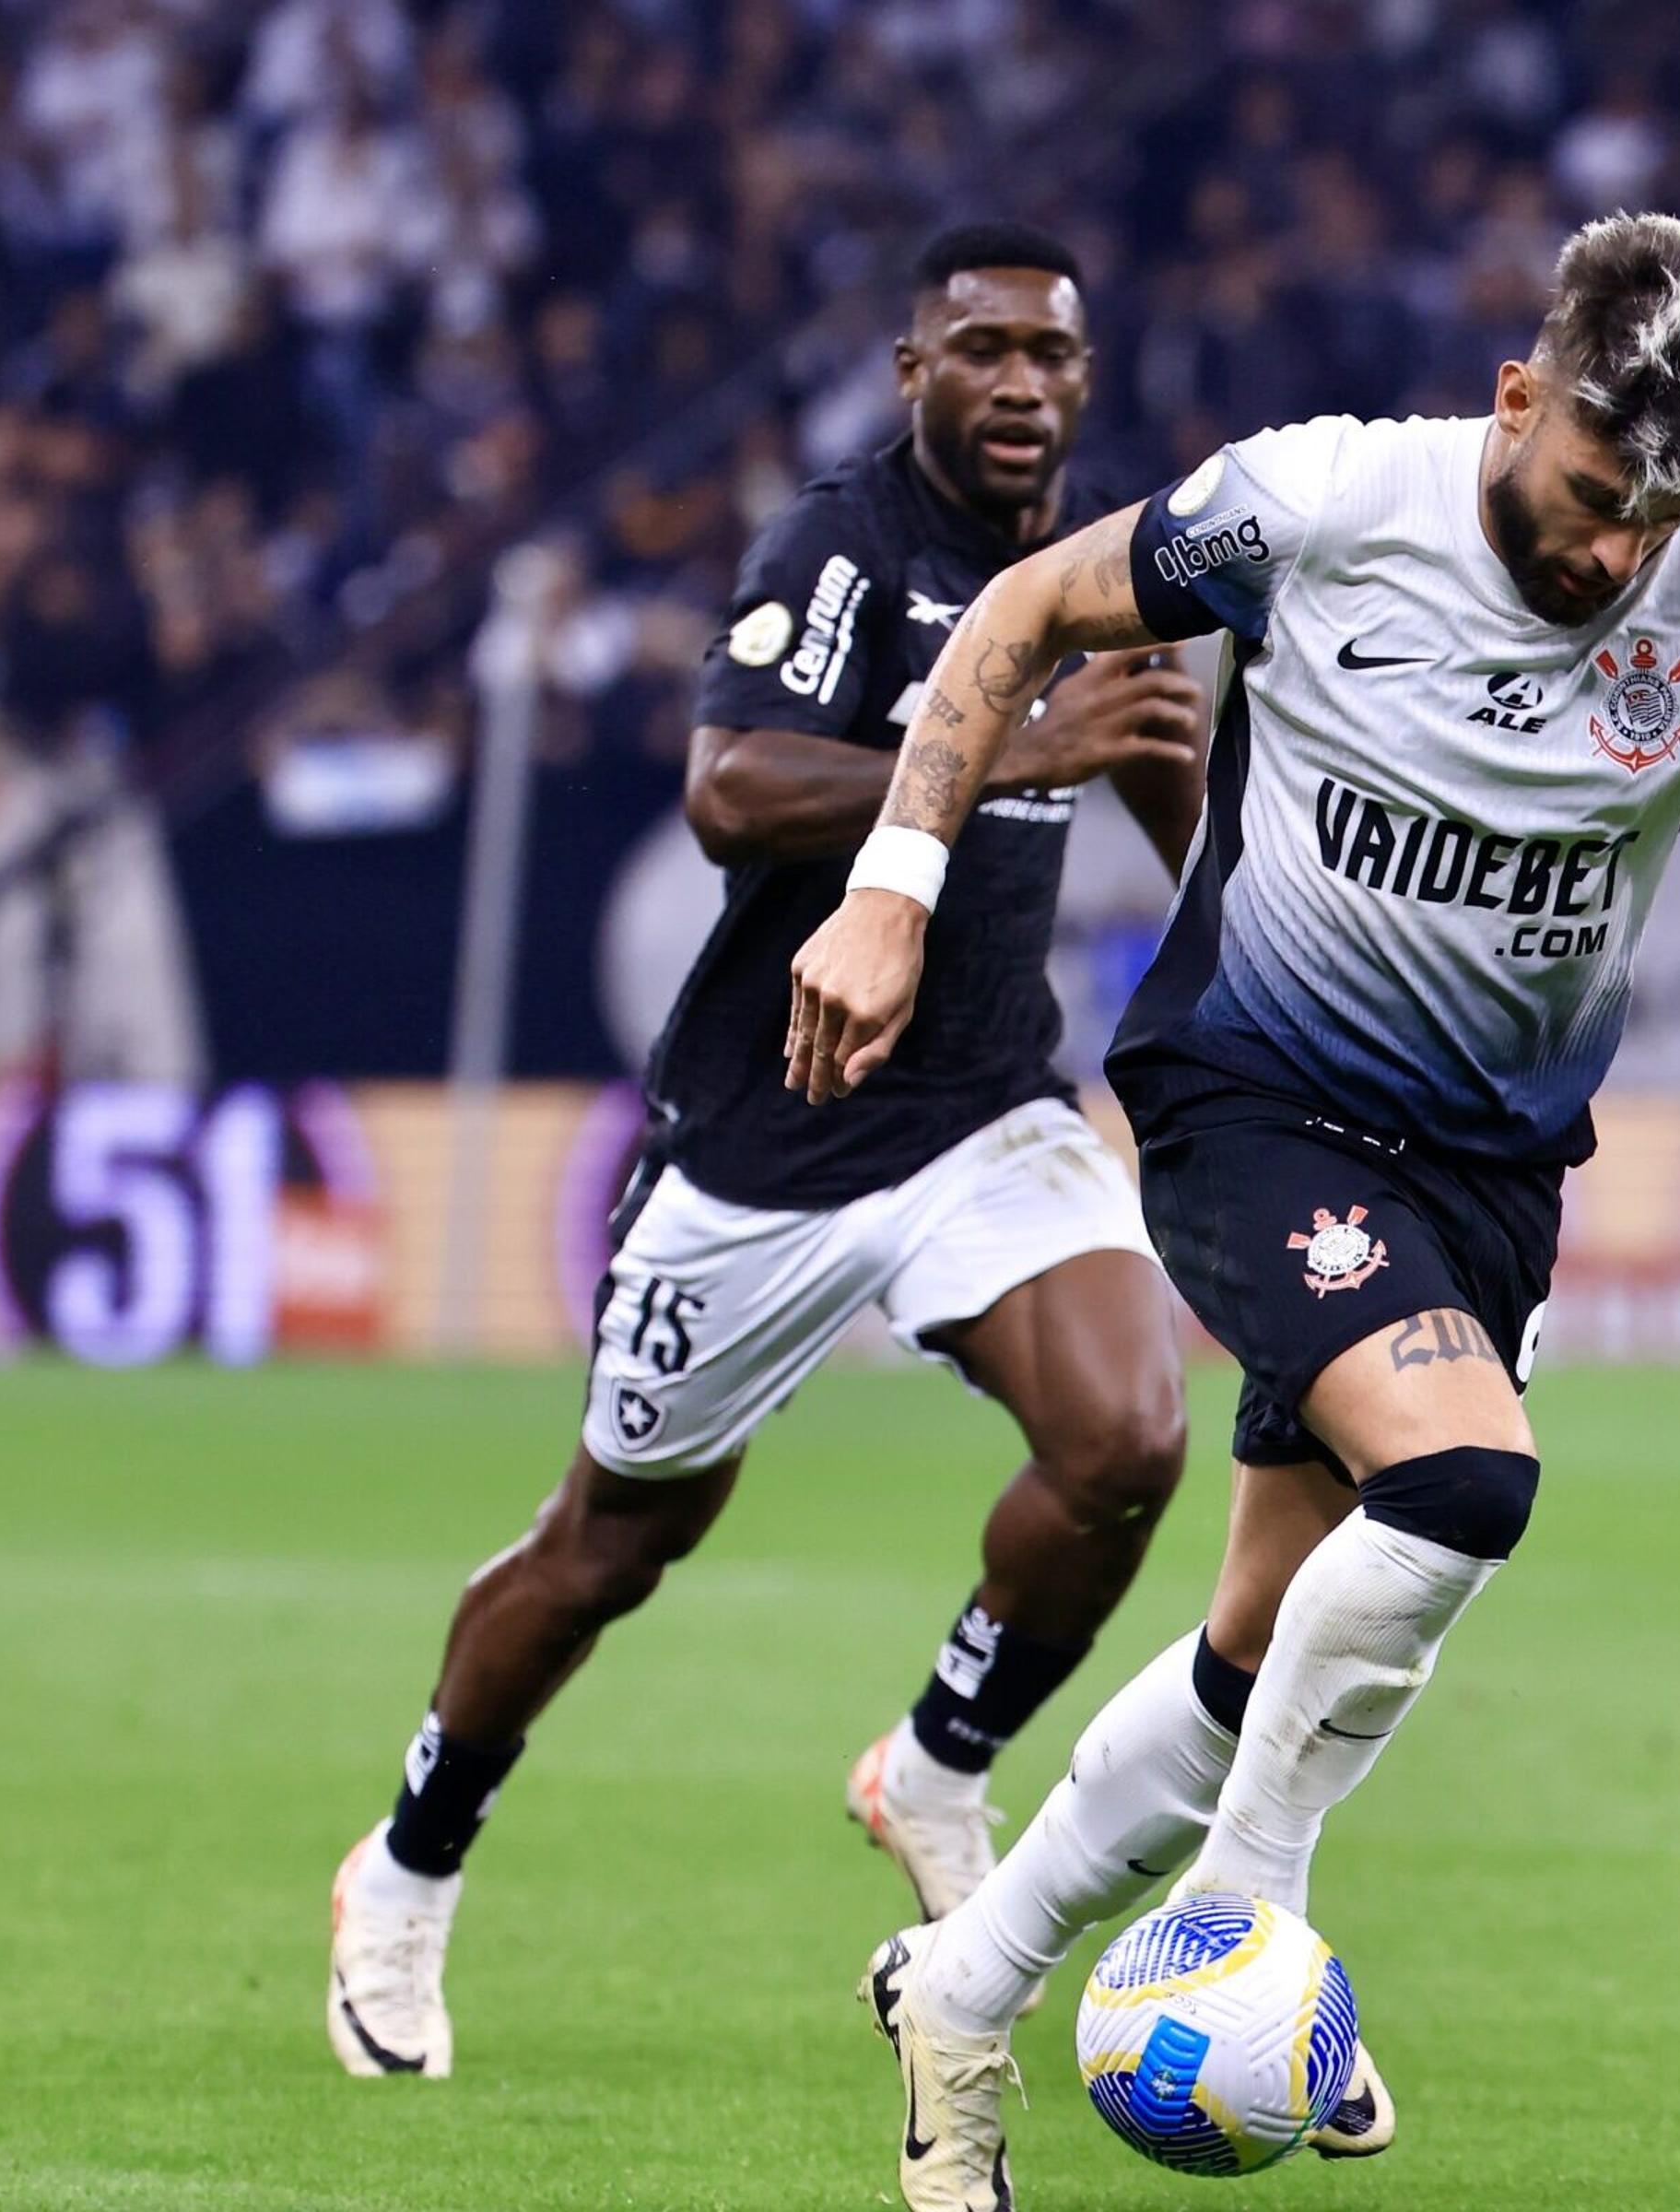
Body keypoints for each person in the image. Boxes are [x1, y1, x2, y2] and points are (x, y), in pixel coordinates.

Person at [781, 217, 1680, 2212]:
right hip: (1256, 1093)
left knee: (1266, 1649)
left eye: (1666, 514)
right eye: (1599, 496)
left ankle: (967, 1988)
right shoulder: (1326, 498)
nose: (1620, 556)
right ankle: (1251, 1921)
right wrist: (894, 884)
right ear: (1518, 402)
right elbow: (1019, 616)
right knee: (1463, 1485)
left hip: (1494, 1167)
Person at [325, 223, 1209, 2078]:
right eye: (980, 351)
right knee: (607, 1548)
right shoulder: (840, 547)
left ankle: (938, 1764)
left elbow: (1157, 771)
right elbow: (731, 788)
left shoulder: (1094, 568)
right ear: (915, 375)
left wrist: (1228, 906)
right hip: (767, 1140)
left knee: (1130, 1433)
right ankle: (408, 1866)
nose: (1021, 386)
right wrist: (1015, 755)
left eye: (1051, 355)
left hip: (986, 1110)